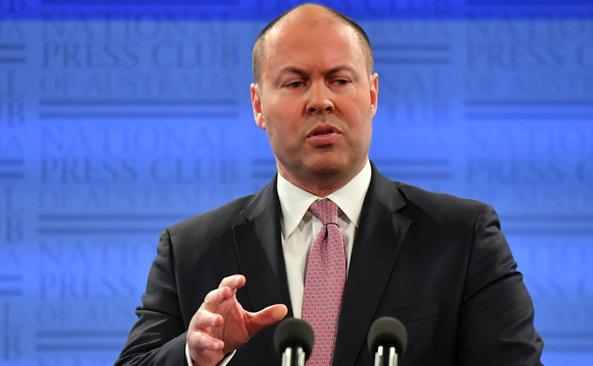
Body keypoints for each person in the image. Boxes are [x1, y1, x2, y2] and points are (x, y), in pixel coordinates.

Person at [116, 3, 544, 366]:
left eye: (339, 80)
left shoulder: (462, 237)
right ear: (258, 105)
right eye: (295, 82)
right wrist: (193, 356)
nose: (320, 101)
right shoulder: (191, 250)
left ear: (372, 95)